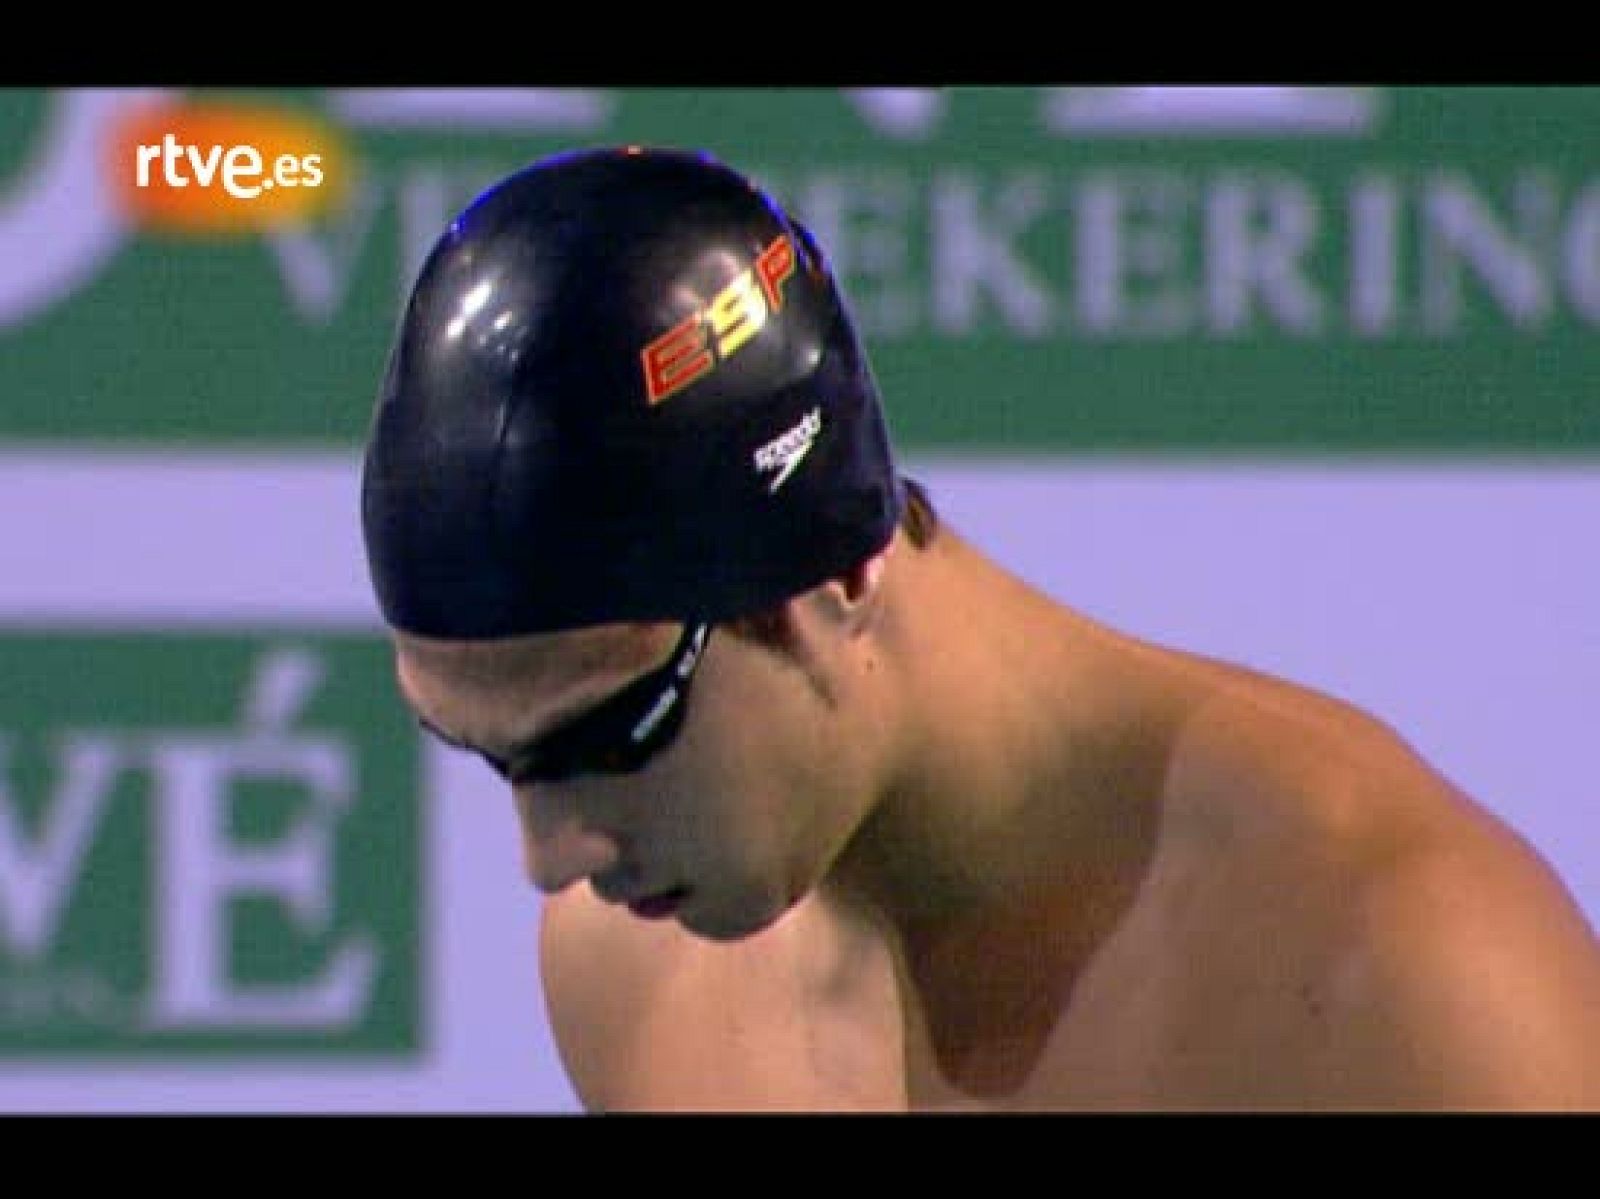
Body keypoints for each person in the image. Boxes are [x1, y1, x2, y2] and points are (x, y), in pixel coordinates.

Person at [360, 145, 1600, 1112]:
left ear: (829, 577)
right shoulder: (629, 981)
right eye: (496, 755)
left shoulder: (1392, 962)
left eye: (614, 727)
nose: (547, 851)